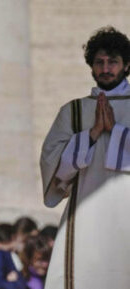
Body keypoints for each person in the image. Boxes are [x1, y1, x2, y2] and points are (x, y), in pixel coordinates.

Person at [40, 26, 130, 288]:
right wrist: (91, 135)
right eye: (99, 62)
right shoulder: (74, 111)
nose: (105, 68)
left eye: (113, 62)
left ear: (126, 66)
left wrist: (116, 132)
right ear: (91, 67)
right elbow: (51, 161)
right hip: (86, 214)